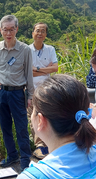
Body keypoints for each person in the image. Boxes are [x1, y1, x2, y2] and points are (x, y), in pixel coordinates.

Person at [0, 15, 34, 170]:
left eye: (12, 29)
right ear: (1, 30)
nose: (9, 33)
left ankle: (25, 159)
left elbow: (29, 75)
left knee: (21, 127)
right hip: (1, 93)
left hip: (18, 93)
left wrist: (30, 96)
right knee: (5, 126)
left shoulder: (24, 50)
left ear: (16, 29)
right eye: (6, 29)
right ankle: (12, 155)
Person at [28, 22, 58, 160]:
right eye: (37, 30)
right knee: (33, 117)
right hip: (32, 89)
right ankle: (39, 147)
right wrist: (46, 69)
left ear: (46, 35)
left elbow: (55, 68)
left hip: (47, 89)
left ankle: (49, 144)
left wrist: (37, 69)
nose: (40, 33)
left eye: (43, 31)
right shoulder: (26, 50)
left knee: (48, 116)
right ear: (32, 33)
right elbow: (28, 73)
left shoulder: (50, 49)